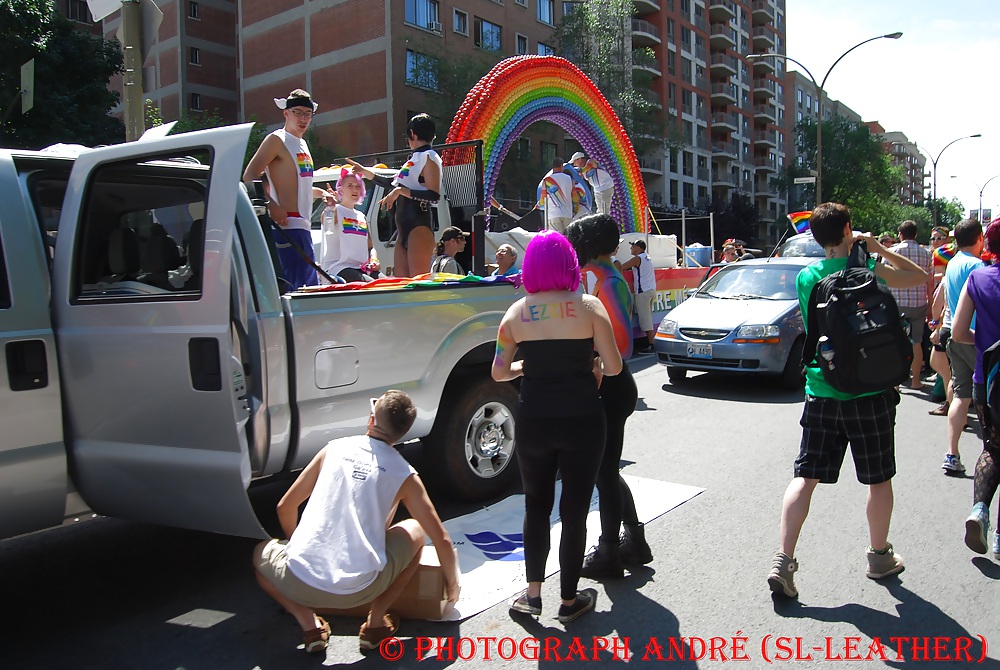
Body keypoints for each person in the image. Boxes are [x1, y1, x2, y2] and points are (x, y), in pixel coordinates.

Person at [767, 202, 928, 599]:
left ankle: (783, 561)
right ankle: (878, 556)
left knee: (806, 477)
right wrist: (876, 247)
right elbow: (920, 277)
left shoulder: (807, 277)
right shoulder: (867, 270)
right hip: (871, 390)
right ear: (848, 229)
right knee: (878, 479)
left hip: (822, 389)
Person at [253, 390, 460, 655]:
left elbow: (285, 506)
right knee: (417, 530)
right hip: (360, 590)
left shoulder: (334, 448)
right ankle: (375, 624)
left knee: (260, 554)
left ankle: (309, 624)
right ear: (403, 433)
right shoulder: (404, 474)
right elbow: (441, 539)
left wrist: (300, 548)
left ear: (371, 420)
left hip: (298, 579)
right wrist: (452, 587)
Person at [492, 230, 622, 623]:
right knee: (576, 509)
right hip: (583, 418)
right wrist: (594, 364)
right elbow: (614, 367)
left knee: (536, 505)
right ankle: (569, 600)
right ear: (569, 265)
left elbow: (499, 372)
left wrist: (525, 365)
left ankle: (532, 595)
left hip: (534, 419)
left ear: (529, 267)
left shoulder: (515, 313)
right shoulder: (589, 307)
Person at [565, 215, 654, 580]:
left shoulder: (611, 283)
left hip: (612, 388)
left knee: (604, 473)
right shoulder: (603, 281)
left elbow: (620, 346)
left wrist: (592, 361)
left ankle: (609, 551)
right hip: (611, 387)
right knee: (607, 471)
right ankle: (633, 541)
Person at [243, 89, 330, 289]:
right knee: (294, 291)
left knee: (308, 290)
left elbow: (299, 186)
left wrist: (323, 194)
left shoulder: (303, 144)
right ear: (286, 113)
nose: (303, 118)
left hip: (303, 227)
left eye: (308, 114)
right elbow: (249, 175)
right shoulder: (277, 139)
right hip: (286, 227)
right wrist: (271, 206)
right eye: (298, 112)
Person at [953, 219, 1000, 557]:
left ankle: (979, 511)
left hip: (988, 378)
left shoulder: (978, 277)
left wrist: (985, 344)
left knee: (993, 448)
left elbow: (957, 331)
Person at [348, 113, 441, 278]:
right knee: (402, 284)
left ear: (412, 133)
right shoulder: (414, 159)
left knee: (418, 284)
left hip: (419, 226)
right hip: (402, 230)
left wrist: (400, 192)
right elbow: (392, 183)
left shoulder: (430, 157)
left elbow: (434, 196)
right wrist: (365, 172)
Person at [941, 219, 986, 474]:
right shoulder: (978, 266)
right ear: (979, 238)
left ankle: (952, 452)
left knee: (961, 395)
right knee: (987, 398)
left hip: (953, 335)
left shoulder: (953, 263)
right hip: (976, 336)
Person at [885, 220, 934, 390]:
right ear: (916, 234)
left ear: (900, 234)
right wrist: (930, 305)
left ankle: (896, 383)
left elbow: (883, 278)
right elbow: (930, 282)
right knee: (917, 342)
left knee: (896, 342)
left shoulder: (892, 252)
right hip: (918, 303)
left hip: (896, 304)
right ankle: (915, 381)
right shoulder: (926, 254)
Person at [319, 168, 381, 283]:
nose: (355, 189)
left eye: (358, 186)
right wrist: (330, 206)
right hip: (337, 267)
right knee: (371, 285)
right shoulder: (335, 210)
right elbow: (326, 222)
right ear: (340, 189)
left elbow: (370, 246)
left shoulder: (361, 216)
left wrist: (374, 258)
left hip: (361, 268)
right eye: (350, 186)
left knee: (387, 284)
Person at [617, 239, 657, 355]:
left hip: (642, 291)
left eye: (632, 246)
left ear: (639, 248)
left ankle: (652, 345)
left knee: (646, 320)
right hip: (650, 289)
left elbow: (622, 267)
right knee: (648, 317)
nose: (631, 248)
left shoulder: (637, 259)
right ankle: (651, 343)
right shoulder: (647, 257)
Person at [536, 159, 575, 233]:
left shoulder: (546, 180)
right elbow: (575, 197)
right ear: (561, 166)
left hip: (554, 214)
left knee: (557, 239)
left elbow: (543, 199)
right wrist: (575, 210)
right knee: (568, 238)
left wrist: (538, 205)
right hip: (568, 213)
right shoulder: (570, 179)